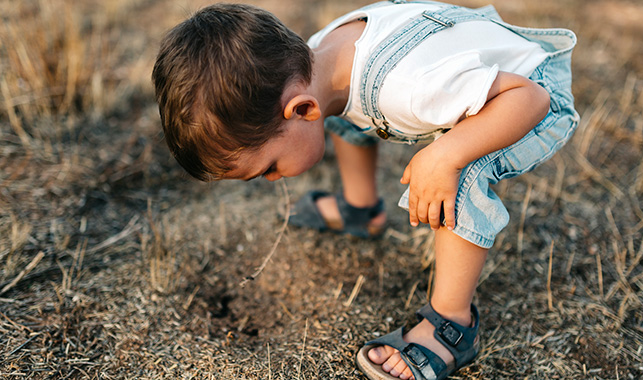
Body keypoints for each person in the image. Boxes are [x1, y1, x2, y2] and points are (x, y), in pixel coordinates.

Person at [152, 1, 579, 379]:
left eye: (268, 168)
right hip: (483, 74)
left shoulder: (410, 90)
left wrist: (446, 153)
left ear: (302, 109)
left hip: (531, 98)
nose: (273, 180)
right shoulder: (320, 55)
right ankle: (361, 208)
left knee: (460, 169)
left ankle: (452, 325)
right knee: (341, 114)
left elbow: (530, 98)